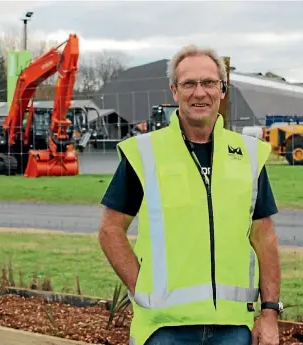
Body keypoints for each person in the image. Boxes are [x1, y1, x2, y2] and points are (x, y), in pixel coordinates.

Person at [97, 45, 282, 345]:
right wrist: (141, 288)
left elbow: (265, 238)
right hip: (163, 329)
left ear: (222, 89)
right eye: (189, 84)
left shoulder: (248, 155)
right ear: (174, 90)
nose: (200, 93)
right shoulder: (145, 153)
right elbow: (109, 230)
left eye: (209, 83)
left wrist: (270, 313)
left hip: (233, 329)